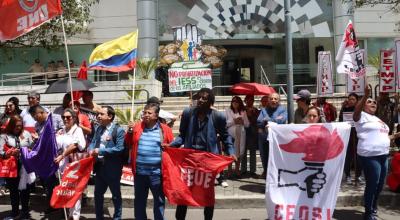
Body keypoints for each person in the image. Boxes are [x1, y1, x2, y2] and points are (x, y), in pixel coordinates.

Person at [169, 88, 236, 220]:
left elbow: (225, 136)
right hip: (189, 160)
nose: (200, 100)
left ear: (210, 102)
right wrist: (170, 146)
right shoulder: (188, 113)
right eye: (199, 97)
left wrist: (231, 152)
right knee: (184, 191)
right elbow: (182, 136)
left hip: (207, 161)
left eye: (204, 98)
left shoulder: (218, 116)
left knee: (207, 193)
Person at [353, 86, 400, 220]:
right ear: (363, 106)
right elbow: (356, 110)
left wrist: (395, 135)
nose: (373, 103)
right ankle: (368, 213)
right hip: (370, 156)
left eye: (374, 102)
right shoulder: (361, 116)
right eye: (369, 101)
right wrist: (365, 94)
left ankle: (373, 208)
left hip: (383, 156)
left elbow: (384, 137)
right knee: (373, 184)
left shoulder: (379, 120)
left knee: (380, 185)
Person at [128, 103, 174, 220]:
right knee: (139, 201)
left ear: (156, 115)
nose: (146, 115)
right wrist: (129, 132)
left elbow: (172, 148)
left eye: (149, 113)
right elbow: (128, 143)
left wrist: (167, 146)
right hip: (140, 173)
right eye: (144, 112)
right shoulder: (137, 127)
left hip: (157, 174)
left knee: (159, 201)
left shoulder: (165, 130)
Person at [89, 106, 125, 220]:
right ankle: (99, 217)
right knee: (98, 195)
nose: (98, 116)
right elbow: (93, 141)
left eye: (101, 114)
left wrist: (101, 151)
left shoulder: (118, 130)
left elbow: (120, 149)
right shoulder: (99, 128)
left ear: (110, 116)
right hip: (99, 168)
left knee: (115, 195)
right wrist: (90, 149)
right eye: (97, 114)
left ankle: (117, 217)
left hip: (113, 169)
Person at [29, 104, 63, 214]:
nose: (35, 119)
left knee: (60, 183)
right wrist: (36, 140)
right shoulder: (37, 125)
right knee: (48, 183)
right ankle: (52, 205)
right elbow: (40, 142)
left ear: (41, 112)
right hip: (45, 158)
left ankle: (62, 207)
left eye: (35, 116)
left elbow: (63, 132)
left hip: (59, 155)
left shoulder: (57, 118)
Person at [0, 115, 35, 220]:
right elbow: (0, 151)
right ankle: (15, 213)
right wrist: (8, 153)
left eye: (20, 126)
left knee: (25, 191)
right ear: (11, 125)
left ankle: (25, 212)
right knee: (14, 191)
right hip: (11, 167)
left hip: (24, 167)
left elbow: (32, 147)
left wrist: (31, 148)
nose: (18, 128)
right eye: (16, 126)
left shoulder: (26, 134)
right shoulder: (5, 136)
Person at [54, 108, 86, 220]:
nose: (65, 119)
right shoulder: (61, 131)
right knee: (66, 191)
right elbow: (56, 146)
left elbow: (75, 145)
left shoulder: (78, 130)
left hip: (74, 166)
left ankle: (74, 216)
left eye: (68, 117)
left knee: (75, 191)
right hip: (62, 165)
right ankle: (68, 214)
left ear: (74, 118)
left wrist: (62, 155)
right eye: (63, 117)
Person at [257, 93, 287, 178]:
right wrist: (274, 120)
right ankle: (266, 171)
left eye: (275, 99)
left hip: (277, 137)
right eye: (271, 99)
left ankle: (276, 173)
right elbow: (259, 121)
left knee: (276, 156)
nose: (273, 100)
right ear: (268, 100)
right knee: (264, 155)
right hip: (264, 136)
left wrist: (267, 119)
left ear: (279, 100)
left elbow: (282, 120)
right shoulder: (264, 109)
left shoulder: (283, 109)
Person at [339, 93, 363, 184]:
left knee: (358, 157)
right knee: (348, 157)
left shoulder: (360, 110)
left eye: (353, 99)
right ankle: (348, 175)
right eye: (349, 99)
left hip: (358, 135)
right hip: (348, 135)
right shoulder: (344, 109)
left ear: (357, 101)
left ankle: (358, 175)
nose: (351, 101)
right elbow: (341, 120)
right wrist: (343, 109)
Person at [225, 96, 249, 177]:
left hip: (240, 134)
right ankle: (229, 170)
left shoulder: (243, 112)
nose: (235, 103)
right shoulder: (227, 110)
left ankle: (237, 169)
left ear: (240, 103)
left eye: (237, 101)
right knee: (230, 152)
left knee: (239, 151)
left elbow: (247, 124)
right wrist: (234, 121)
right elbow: (225, 124)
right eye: (233, 101)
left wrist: (242, 121)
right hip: (231, 134)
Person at [242, 95, 259, 177]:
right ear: (245, 100)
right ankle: (243, 170)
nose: (249, 101)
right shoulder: (241, 110)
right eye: (248, 99)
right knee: (243, 151)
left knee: (253, 152)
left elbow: (257, 122)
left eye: (251, 100)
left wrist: (251, 115)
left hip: (252, 133)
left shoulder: (256, 110)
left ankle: (253, 170)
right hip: (243, 132)